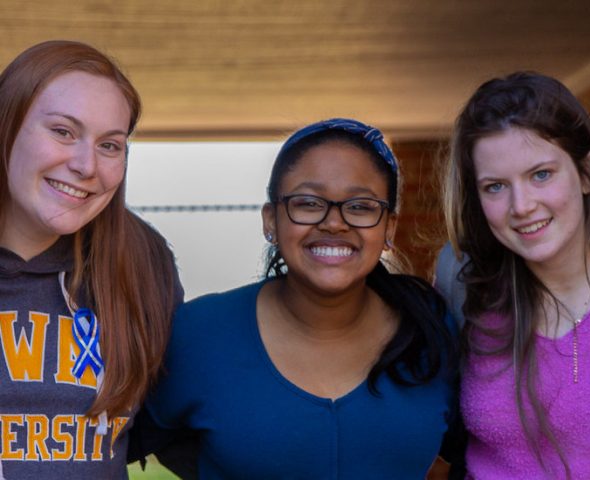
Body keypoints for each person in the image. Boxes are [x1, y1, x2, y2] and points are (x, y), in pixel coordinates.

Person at [140, 118, 459, 479]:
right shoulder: (198, 334)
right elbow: (124, 441)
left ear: (389, 229)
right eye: (308, 203)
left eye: (360, 206)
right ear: (271, 221)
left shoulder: (431, 329)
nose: (334, 223)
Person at [436, 71, 590, 479]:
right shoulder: (460, 277)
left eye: (541, 175)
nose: (522, 205)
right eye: (495, 186)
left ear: (586, 173)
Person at [0, 40, 182, 478]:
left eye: (110, 145)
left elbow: (174, 421)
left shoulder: (141, 262)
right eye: (62, 131)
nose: (86, 165)